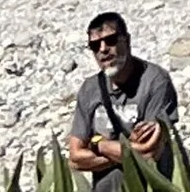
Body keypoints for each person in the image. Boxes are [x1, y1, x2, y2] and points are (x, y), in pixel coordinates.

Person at [67, 11, 177, 176]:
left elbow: (149, 153)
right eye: (95, 45)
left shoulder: (155, 82)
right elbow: (75, 158)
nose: (103, 49)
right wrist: (125, 149)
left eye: (110, 40)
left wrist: (99, 146)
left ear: (127, 40)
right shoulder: (89, 90)